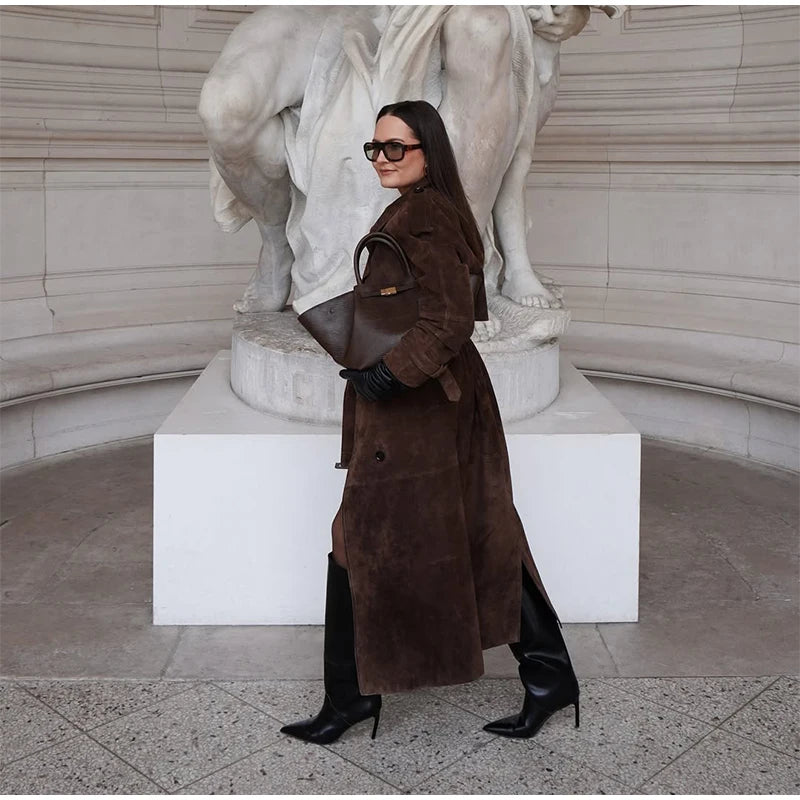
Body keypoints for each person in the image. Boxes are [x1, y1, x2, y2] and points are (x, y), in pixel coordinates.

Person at [279, 100, 579, 745]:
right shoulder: (426, 209)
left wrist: (387, 375)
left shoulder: (426, 218)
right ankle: (547, 678)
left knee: (361, 537)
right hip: (435, 405)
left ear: (428, 151)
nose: (382, 160)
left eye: (397, 148)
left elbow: (449, 319)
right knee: (476, 533)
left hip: (421, 410)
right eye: (376, 148)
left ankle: (350, 701)